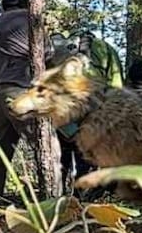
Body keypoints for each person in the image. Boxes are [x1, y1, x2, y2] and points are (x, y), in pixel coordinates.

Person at [0, 0, 59, 203]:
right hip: (21, 93)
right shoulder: (30, 20)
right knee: (48, 149)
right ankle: (56, 204)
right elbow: (47, 56)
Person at [49, 31, 125, 183]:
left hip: (61, 114)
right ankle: (82, 198)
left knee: (61, 160)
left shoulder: (57, 48)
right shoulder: (106, 49)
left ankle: (56, 196)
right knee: (84, 159)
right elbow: (116, 86)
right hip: (89, 114)